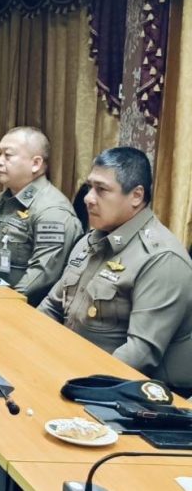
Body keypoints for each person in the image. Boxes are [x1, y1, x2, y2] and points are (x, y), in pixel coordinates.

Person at [39, 148, 192, 391]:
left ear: (136, 196)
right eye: (89, 187)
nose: (88, 198)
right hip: (69, 367)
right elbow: (51, 307)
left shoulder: (162, 258)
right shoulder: (91, 240)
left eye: (101, 189)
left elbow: (139, 354)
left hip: (125, 391)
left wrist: (75, 384)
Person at [0, 126, 83, 304]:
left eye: (8, 155)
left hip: (21, 307)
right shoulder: (4, 199)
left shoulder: (52, 211)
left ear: (35, 164)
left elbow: (41, 277)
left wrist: (0, 303)